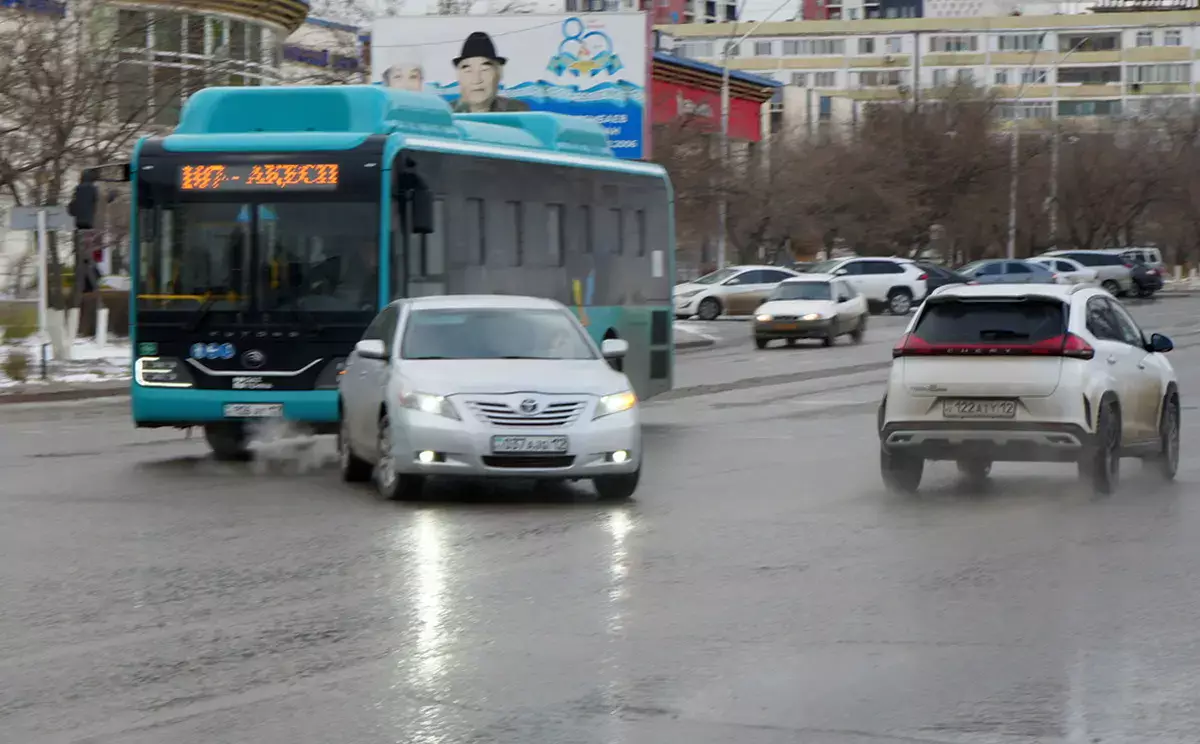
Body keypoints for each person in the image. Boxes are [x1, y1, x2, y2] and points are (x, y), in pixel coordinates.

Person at [451, 32, 530, 114]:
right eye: (468, 71)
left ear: (498, 74)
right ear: (459, 77)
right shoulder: (444, 113)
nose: (476, 80)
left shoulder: (517, 111)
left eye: (484, 69)